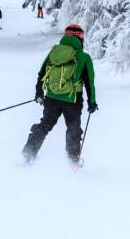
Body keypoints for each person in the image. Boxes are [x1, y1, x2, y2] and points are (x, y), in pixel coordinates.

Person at [22, 24, 98, 164]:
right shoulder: (84, 57)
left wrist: (39, 92)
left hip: (51, 98)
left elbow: (42, 73)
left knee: (44, 125)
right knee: (73, 129)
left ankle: (28, 154)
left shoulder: (54, 52)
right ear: (80, 38)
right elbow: (89, 82)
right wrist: (92, 102)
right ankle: (72, 161)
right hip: (73, 100)